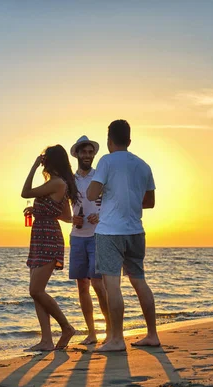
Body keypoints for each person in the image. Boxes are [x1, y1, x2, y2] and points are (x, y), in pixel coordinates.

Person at [87, 120, 160, 352]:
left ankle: (117, 339)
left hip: (109, 231)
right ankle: (152, 334)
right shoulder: (143, 165)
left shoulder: (106, 161)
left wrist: (105, 192)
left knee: (113, 285)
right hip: (135, 231)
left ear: (109, 141)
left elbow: (90, 194)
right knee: (139, 281)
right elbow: (150, 202)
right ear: (129, 140)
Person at [22, 145, 77, 351]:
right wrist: (38, 210)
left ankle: (66, 327)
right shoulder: (57, 183)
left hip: (48, 237)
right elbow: (66, 216)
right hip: (40, 235)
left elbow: (25, 192)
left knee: (35, 290)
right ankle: (46, 340)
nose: (42, 160)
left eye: (45, 158)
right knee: (37, 292)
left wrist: (34, 167)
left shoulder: (57, 182)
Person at [68, 135, 110, 345]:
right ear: (77, 154)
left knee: (97, 283)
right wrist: (70, 219)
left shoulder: (100, 177)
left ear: (94, 154)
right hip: (77, 237)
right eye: (83, 152)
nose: (87, 155)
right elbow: (61, 205)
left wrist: (100, 215)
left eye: (90, 152)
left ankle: (110, 329)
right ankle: (92, 332)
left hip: (97, 234)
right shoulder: (70, 180)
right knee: (82, 286)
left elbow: (111, 201)